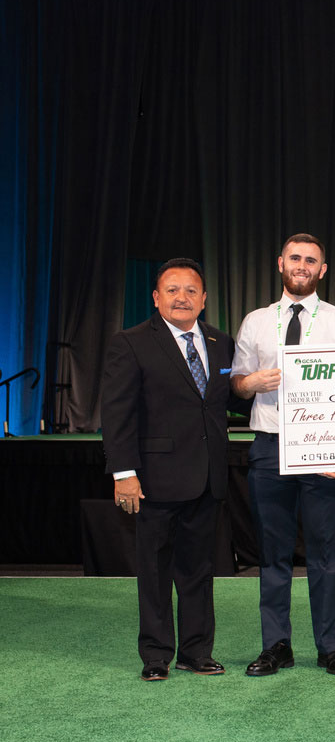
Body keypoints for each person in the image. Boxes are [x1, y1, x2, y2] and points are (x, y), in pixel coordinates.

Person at [101, 258, 243, 681]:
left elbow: (226, 401)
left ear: (203, 299)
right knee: (156, 571)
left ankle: (197, 652)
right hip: (155, 480)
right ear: (156, 297)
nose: (182, 297)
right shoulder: (130, 343)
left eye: (191, 290)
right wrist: (123, 473)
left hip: (207, 478)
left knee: (199, 570)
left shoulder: (221, 342)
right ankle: (156, 656)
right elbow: (117, 413)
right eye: (173, 290)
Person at [231, 234, 335, 677]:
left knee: (328, 553)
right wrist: (250, 385)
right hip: (269, 447)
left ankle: (330, 647)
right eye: (295, 258)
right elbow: (238, 381)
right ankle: (277, 646)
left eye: (311, 260)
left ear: (322, 270)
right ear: (280, 263)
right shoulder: (255, 321)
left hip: (324, 449)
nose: (302, 265)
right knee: (273, 554)